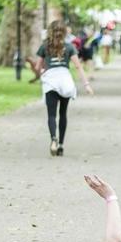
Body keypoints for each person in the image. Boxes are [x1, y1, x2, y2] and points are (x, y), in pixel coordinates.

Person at [34, 21, 94, 156]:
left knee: (51, 114)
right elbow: (78, 67)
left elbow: (38, 68)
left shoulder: (44, 47)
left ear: (50, 31)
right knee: (63, 114)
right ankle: (61, 144)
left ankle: (53, 139)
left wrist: (42, 70)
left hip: (51, 81)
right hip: (65, 80)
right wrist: (87, 85)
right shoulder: (70, 47)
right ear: (65, 33)